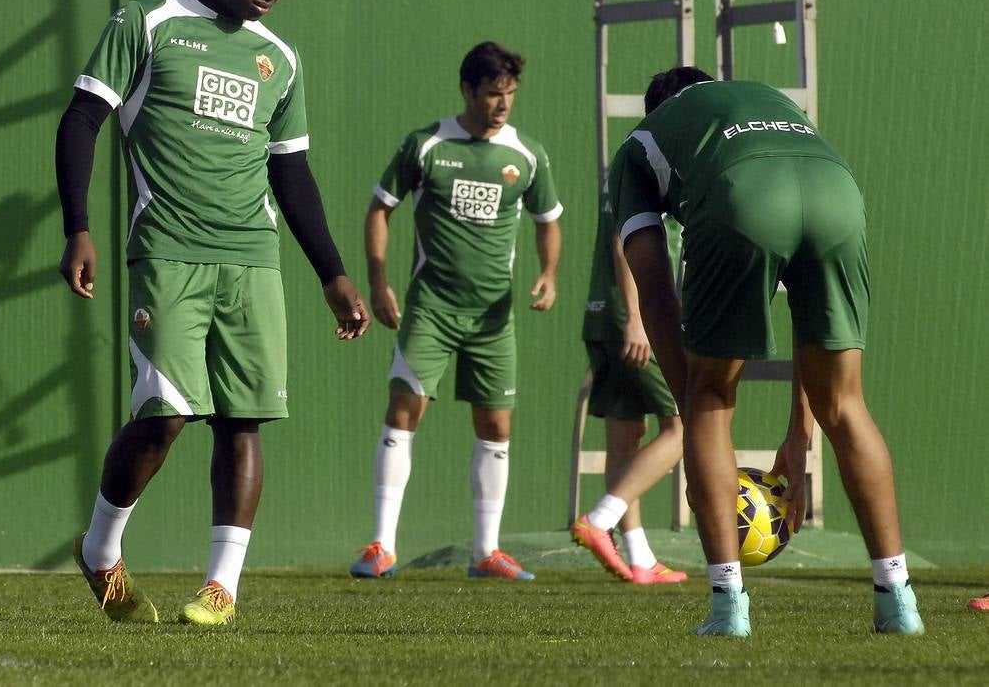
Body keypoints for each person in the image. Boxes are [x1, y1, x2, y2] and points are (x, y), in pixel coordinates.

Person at [56, 0, 370, 626]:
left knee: (243, 420)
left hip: (251, 261)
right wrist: (78, 227)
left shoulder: (279, 60)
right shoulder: (148, 22)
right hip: (167, 249)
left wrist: (333, 273)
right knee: (166, 414)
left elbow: (292, 174)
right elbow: (81, 120)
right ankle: (102, 548)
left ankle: (222, 588)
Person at [609, 68, 924, 636]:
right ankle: (898, 602)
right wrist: (799, 442)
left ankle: (729, 607)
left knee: (709, 398)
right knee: (847, 404)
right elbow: (808, 325)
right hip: (837, 192)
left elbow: (655, 295)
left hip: (743, 195)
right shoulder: (767, 101)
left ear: (656, 110)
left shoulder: (641, 143)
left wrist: (691, 407)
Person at [349, 42, 561, 582]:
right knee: (403, 412)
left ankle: (486, 552)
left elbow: (548, 219)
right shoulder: (426, 145)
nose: (502, 105)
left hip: (493, 319)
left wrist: (548, 272)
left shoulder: (526, 154)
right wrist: (379, 283)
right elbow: (380, 210)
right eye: (493, 94)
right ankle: (381, 546)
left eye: (510, 95)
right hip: (431, 310)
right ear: (467, 90)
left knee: (496, 425)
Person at [569, 74, 694, 586]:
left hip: (603, 317)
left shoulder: (623, 161)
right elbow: (628, 244)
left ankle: (639, 556)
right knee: (686, 426)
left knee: (627, 433)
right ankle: (598, 521)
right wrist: (640, 318)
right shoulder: (654, 164)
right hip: (632, 318)